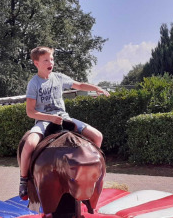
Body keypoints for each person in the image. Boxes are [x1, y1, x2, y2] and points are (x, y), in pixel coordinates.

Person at [19, 46, 110, 200]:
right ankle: (23, 180)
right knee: (29, 143)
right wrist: (49, 118)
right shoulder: (33, 83)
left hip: (64, 117)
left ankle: (93, 172)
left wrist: (97, 88)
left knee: (97, 136)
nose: (51, 62)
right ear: (36, 63)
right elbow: (30, 112)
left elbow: (80, 85)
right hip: (44, 120)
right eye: (46, 60)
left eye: (52, 59)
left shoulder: (59, 77)